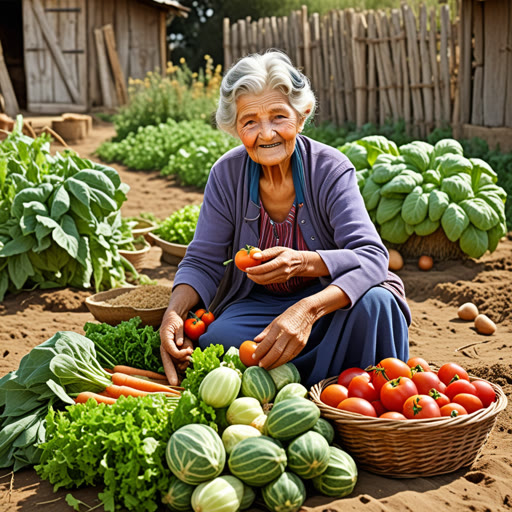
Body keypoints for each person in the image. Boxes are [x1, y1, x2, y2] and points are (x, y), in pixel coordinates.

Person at [159, 50, 411, 387]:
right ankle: (323, 381)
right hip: (259, 304)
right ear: (235, 128)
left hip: (332, 300)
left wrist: (306, 296)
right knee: (216, 340)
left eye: (279, 116)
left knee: (377, 304)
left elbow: (373, 256)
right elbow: (202, 260)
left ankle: (343, 397)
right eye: (250, 121)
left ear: (302, 116)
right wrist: (174, 312)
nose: (266, 134)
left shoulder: (330, 168)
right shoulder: (226, 174)